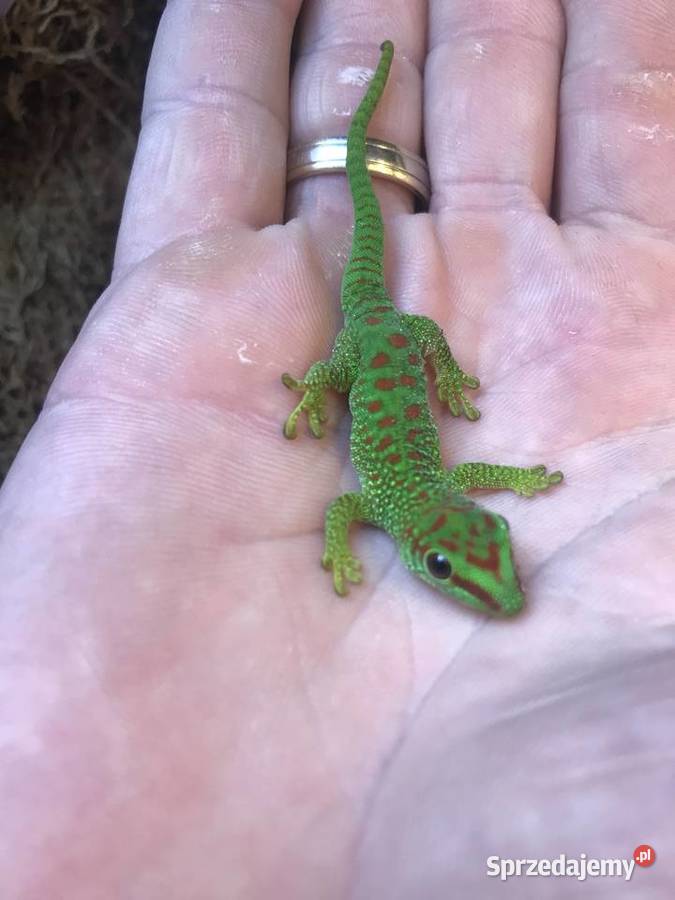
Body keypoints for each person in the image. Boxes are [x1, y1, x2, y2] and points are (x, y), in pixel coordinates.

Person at [1, 1, 673, 896]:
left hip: (394, 343)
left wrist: (477, 442)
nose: (492, 584)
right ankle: (329, 353)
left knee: (394, 319)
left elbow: (370, 501)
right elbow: (361, 502)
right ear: (434, 535)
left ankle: (348, 278)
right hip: (371, 342)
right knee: (367, 319)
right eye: (457, 561)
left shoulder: (412, 499)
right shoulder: (406, 499)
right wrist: (327, 388)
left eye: (476, 556)